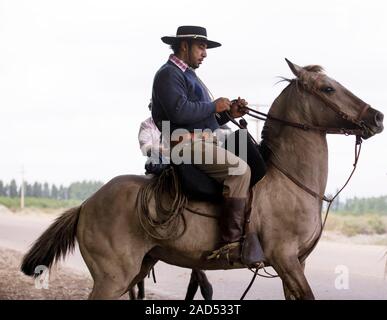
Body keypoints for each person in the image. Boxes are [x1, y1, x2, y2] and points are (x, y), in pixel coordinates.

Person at [151, 25, 258, 263]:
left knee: (252, 154)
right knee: (240, 171)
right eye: (201, 47)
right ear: (184, 46)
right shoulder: (168, 74)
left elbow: (203, 119)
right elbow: (180, 113)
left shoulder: (188, 74)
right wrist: (213, 106)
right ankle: (230, 243)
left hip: (201, 139)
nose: (205, 53)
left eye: (205, 48)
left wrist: (228, 112)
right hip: (182, 144)